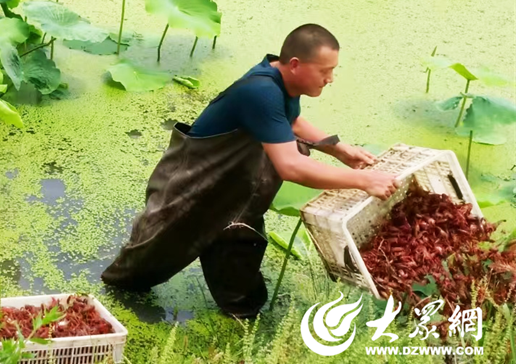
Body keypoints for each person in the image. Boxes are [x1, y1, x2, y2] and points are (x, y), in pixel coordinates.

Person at [101, 24, 399, 318]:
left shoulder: (284, 81)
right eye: (324, 71)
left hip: (236, 192)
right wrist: (364, 180)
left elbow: (290, 122)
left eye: (333, 70)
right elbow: (291, 165)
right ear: (295, 65)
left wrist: (338, 148)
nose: (330, 79)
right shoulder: (260, 91)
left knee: (242, 290)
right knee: (130, 278)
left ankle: (243, 327)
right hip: (190, 193)